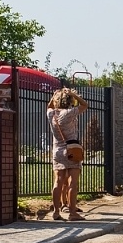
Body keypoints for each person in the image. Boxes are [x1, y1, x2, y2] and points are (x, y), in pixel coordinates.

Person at [47, 88, 89, 221]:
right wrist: (73, 94)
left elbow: (49, 106)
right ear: (69, 101)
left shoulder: (51, 114)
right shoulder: (69, 113)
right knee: (73, 183)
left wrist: (54, 96)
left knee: (58, 181)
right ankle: (72, 213)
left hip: (57, 151)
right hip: (72, 150)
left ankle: (56, 212)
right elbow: (85, 105)